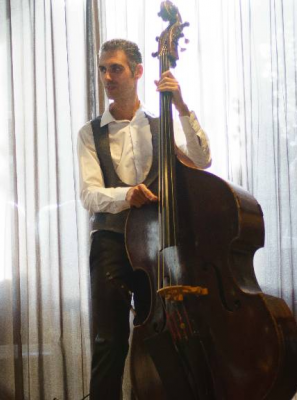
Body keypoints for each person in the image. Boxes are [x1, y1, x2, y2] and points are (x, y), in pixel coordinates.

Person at [77, 39, 211, 399]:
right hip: (110, 243)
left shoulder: (159, 124)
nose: (107, 76)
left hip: (155, 243)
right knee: (109, 342)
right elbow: (90, 194)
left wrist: (181, 106)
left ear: (137, 72)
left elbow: (201, 160)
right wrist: (127, 195)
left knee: (164, 334)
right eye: (103, 69)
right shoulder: (90, 133)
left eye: (115, 68)